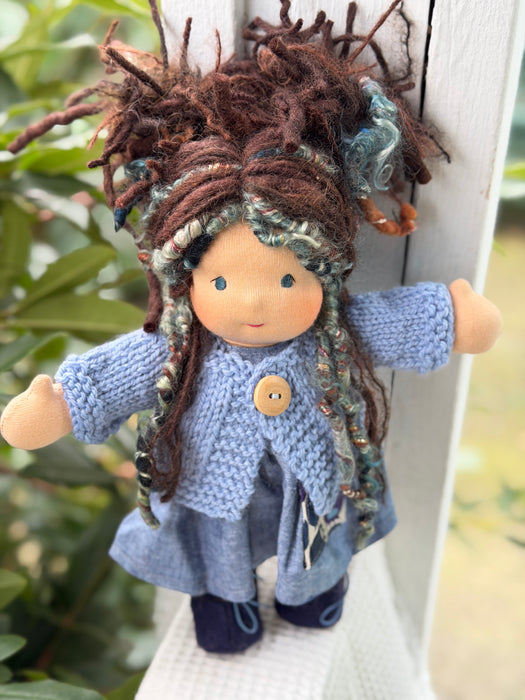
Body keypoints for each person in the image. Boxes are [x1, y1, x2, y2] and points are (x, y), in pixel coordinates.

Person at [0, 1, 501, 653]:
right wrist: (64, 402)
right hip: (213, 481)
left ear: (322, 262)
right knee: (218, 540)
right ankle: (223, 600)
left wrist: (450, 317)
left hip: (311, 472)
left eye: (288, 280)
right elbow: (120, 372)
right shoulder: (181, 348)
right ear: (188, 275)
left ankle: (311, 589)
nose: (255, 301)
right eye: (222, 284)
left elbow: (390, 322)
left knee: (316, 529)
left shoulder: (333, 332)